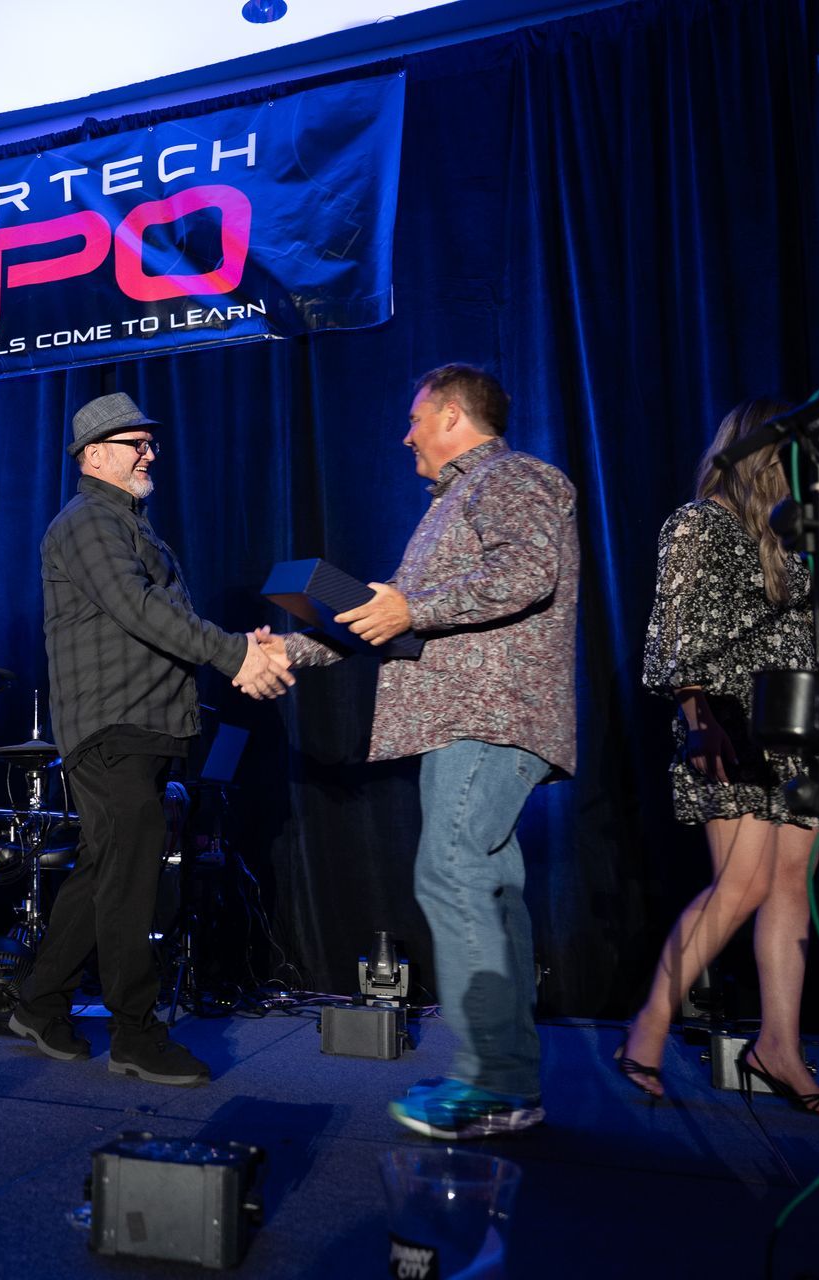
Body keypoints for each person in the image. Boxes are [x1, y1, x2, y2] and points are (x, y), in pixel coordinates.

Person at [284, 364, 578, 1139]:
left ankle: (492, 1083)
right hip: (470, 721)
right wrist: (283, 651)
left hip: (488, 714)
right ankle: (509, 1081)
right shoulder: (451, 507)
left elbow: (526, 570)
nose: (405, 434)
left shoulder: (512, 477)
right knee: (487, 886)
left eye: (416, 418)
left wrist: (416, 604)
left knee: (451, 869)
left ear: (451, 416)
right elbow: (392, 621)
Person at [621, 398, 819, 1109]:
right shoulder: (697, 523)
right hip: (734, 722)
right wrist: (699, 718)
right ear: (761, 452)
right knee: (741, 886)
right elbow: (677, 631)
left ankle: (778, 1045)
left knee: (791, 889)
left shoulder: (790, 543)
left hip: (802, 725)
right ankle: (647, 1028)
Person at [8, 391, 293, 1086]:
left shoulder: (128, 526)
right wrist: (235, 657)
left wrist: (239, 649)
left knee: (106, 869)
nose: (150, 453)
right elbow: (137, 611)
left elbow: (161, 617)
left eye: (149, 443)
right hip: (113, 727)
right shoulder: (86, 523)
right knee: (129, 878)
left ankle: (40, 1004)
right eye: (135, 443)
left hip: (148, 723)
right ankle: (135, 1033)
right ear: (94, 455)